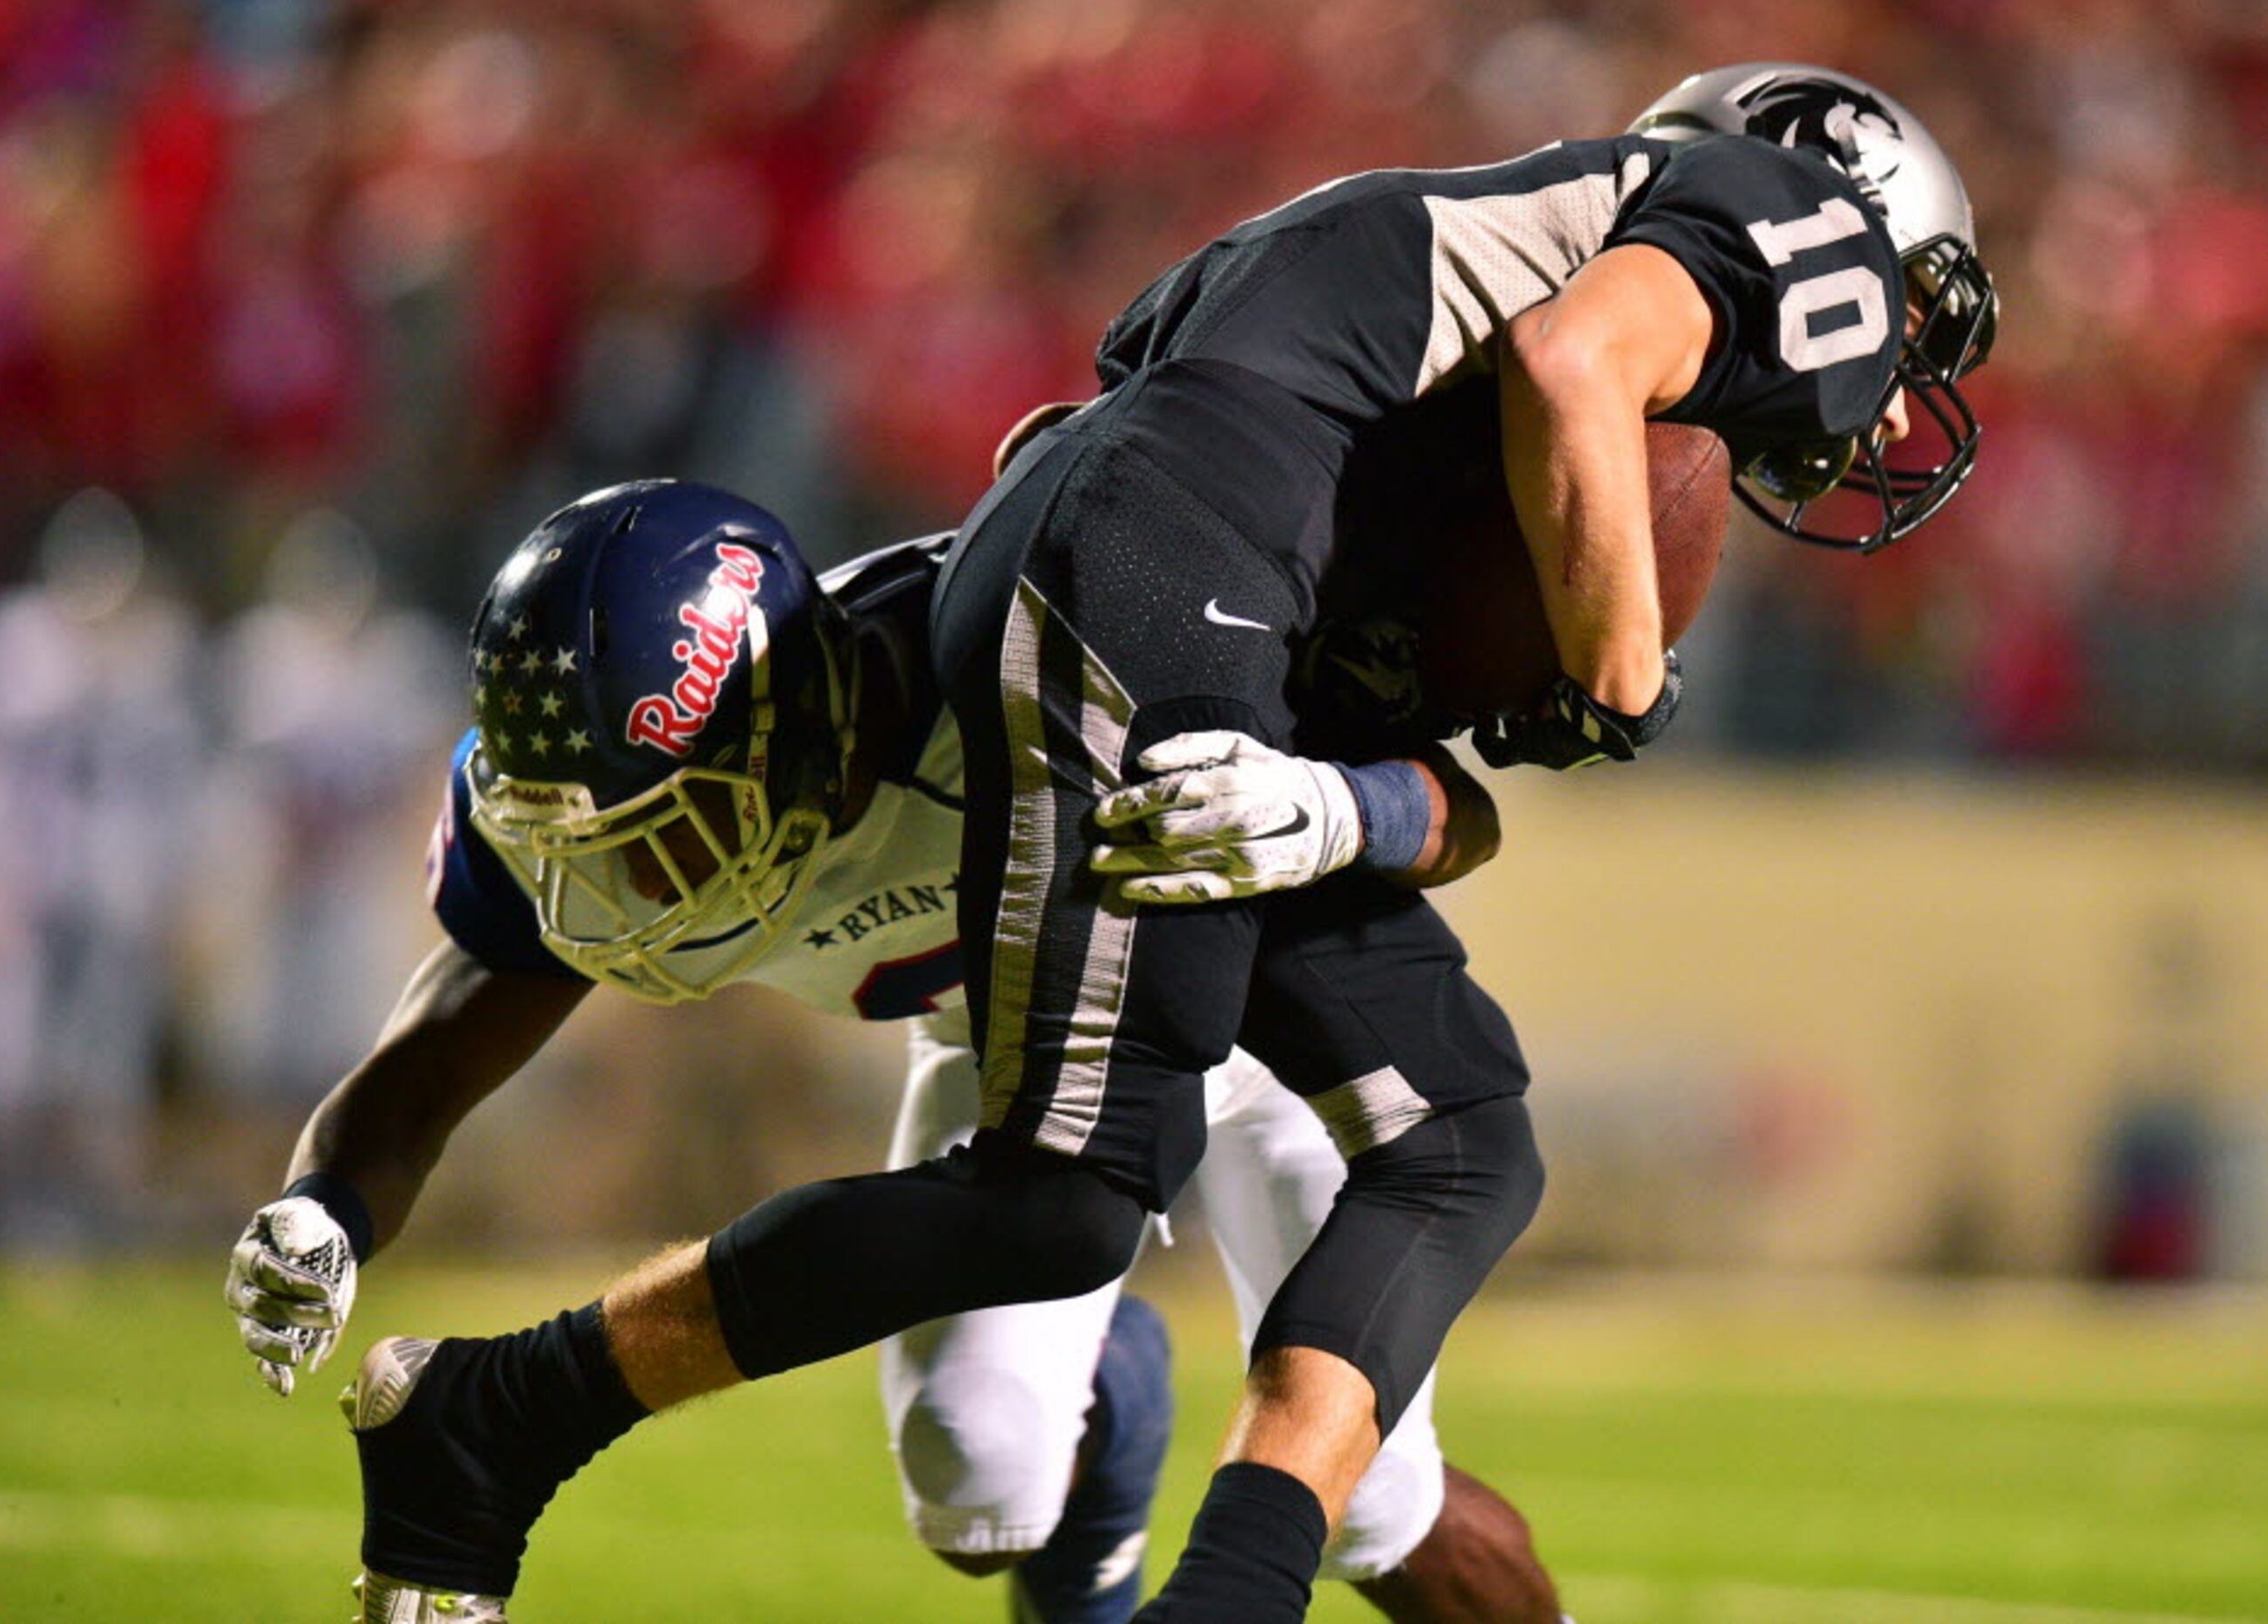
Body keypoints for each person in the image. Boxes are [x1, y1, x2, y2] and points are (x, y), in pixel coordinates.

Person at [277, 62, 1995, 1624]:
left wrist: (1325, 793)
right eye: (1911, 336)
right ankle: (502, 1419)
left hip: (1172, 584)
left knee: (1464, 1136)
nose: (1893, 411)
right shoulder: (1785, 230)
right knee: (1062, 1206)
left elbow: (1138, 428)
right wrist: (1624, 677)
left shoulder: (1400, 377)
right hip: (1168, 578)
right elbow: (1573, 364)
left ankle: (1212, 1584)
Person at [225, 481, 1560, 1622]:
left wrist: (1345, 806)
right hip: (1023, 1043)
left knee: (1376, 1503)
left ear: (790, 733)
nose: (612, 884)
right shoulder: (634, 808)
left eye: (649, 830)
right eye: (579, 836)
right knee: (979, 1470)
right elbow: (440, 1047)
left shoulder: (1030, 656)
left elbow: (1465, 811)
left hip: (1256, 1010)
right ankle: (1112, 1395)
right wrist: (322, 1201)